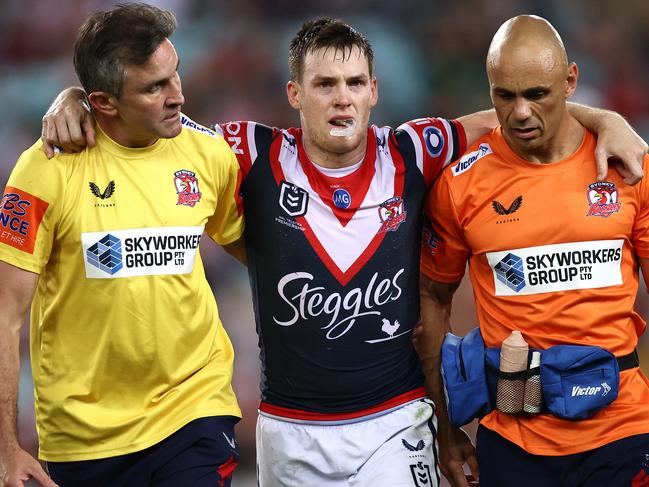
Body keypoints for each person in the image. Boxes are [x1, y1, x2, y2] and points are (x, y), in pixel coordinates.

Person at [40, 15, 648, 487]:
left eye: (355, 83)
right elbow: (150, 115)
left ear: (375, 91)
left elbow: (516, 114)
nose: (342, 98)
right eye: (325, 84)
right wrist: (76, 98)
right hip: (288, 429)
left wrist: (603, 118)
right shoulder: (244, 152)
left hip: (395, 421)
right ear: (294, 94)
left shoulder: (414, 149)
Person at [0, 4, 245, 487]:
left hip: (194, 409)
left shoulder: (208, 154)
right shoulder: (43, 172)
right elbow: (6, 313)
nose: (178, 96)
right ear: (104, 103)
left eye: (175, 75)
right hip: (85, 437)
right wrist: (7, 449)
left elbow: (262, 253)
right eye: (155, 87)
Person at [419, 14, 649, 487]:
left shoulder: (627, 168)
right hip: (514, 442)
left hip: (623, 431)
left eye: (537, 94)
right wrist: (445, 429)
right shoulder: (460, 183)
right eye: (504, 95)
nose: (520, 112)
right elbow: (432, 303)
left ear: (570, 81)